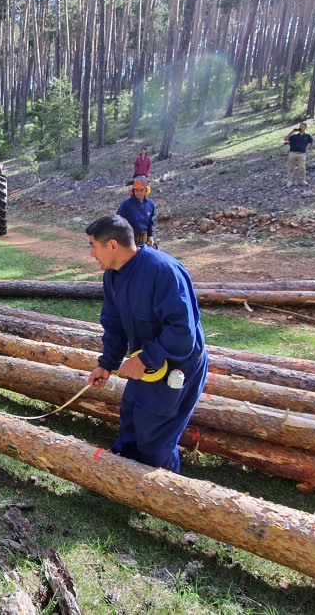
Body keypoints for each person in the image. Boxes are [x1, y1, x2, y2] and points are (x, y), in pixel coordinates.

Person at [85, 215, 208, 473]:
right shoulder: (113, 276)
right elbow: (114, 324)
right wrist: (107, 364)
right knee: (131, 418)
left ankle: (163, 491)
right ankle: (124, 480)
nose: (91, 254)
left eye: (93, 246)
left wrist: (142, 361)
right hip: (148, 361)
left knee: (155, 434)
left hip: (177, 365)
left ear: (113, 246)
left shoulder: (161, 271)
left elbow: (182, 333)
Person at [116, 176, 156, 248]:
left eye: (141, 190)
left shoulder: (150, 204)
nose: (139, 193)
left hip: (144, 237)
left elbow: (150, 222)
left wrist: (150, 236)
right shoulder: (126, 204)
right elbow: (118, 221)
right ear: (133, 191)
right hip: (129, 238)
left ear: (146, 190)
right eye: (136, 190)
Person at [283, 122, 315, 187]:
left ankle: (302, 180)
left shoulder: (307, 136)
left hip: (302, 154)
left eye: (303, 126)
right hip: (292, 153)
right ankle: (289, 181)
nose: (301, 127)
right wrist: (291, 132)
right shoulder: (294, 136)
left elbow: (313, 143)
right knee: (291, 168)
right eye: (300, 126)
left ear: (305, 128)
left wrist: (309, 150)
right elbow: (285, 139)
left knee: (302, 168)